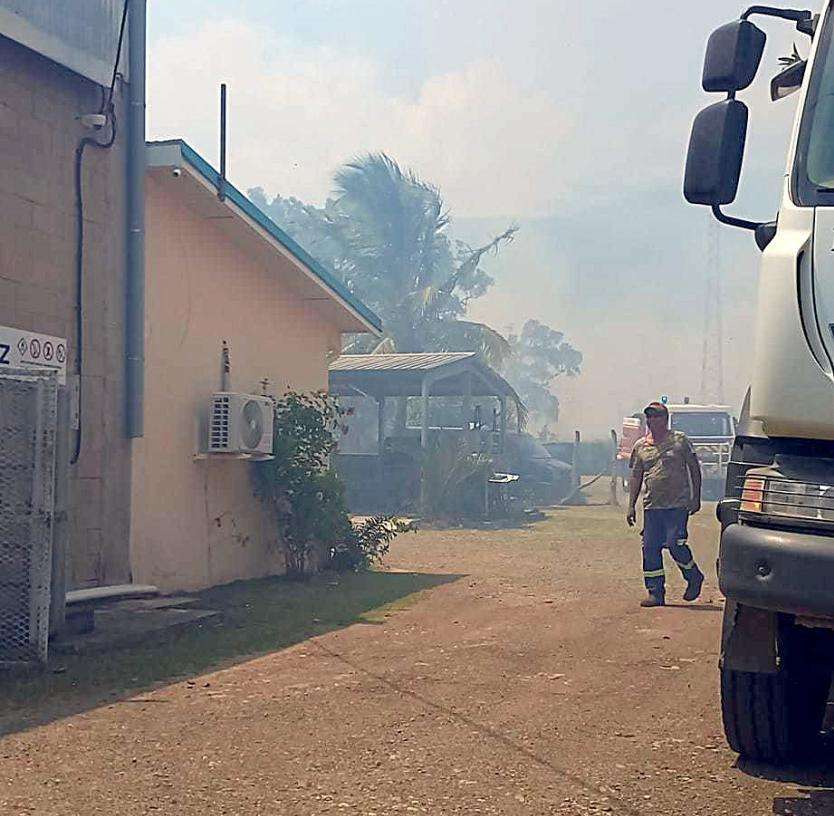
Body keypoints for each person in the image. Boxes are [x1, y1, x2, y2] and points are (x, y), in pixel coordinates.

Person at [626, 401, 705, 608]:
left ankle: (693, 576)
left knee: (674, 544)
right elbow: (636, 476)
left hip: (677, 505)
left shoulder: (680, 441)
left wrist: (696, 497)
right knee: (650, 548)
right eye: (649, 417)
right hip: (652, 506)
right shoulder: (641, 446)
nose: (652, 420)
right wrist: (631, 505)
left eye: (656, 416)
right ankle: (655, 592)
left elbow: (694, 469)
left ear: (666, 419)